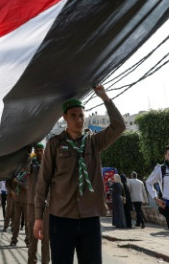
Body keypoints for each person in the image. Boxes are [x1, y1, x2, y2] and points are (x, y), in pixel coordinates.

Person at [34, 85, 125, 264]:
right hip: (61, 218)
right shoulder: (54, 144)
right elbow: (43, 181)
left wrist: (105, 98)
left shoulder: (94, 142)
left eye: (81, 115)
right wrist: (38, 217)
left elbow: (119, 126)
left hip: (89, 218)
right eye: (73, 115)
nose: (78, 119)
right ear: (65, 117)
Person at [27, 143, 50, 264]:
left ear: (44, 150)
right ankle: (32, 261)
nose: (39, 153)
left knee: (46, 238)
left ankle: (45, 262)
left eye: (41, 150)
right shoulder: (32, 164)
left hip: (47, 205)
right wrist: (29, 154)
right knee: (33, 237)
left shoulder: (49, 163)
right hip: (32, 204)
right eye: (37, 151)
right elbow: (24, 168)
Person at [9, 153, 30, 246]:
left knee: (27, 223)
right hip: (17, 201)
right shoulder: (15, 172)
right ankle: (14, 239)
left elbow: (27, 187)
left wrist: (17, 181)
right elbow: (8, 183)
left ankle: (28, 240)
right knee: (15, 222)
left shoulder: (29, 173)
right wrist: (11, 191)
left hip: (27, 201)